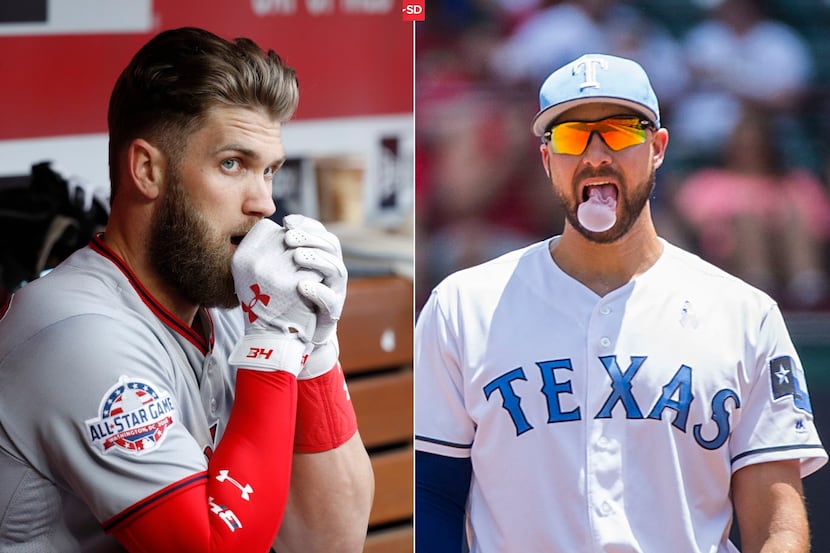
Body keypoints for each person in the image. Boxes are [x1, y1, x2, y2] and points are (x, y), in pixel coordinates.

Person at [414, 53, 827, 552]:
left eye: (619, 131)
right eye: (570, 137)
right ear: (548, 160)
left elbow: (776, 520)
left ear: (657, 148)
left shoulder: (745, 314)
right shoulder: (463, 306)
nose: (595, 155)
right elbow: (434, 495)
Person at [0, 27, 373, 553]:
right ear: (147, 169)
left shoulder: (232, 309)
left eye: (268, 171)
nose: (264, 204)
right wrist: (274, 344)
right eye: (232, 164)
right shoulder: (77, 334)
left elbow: (329, 543)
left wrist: (313, 350)